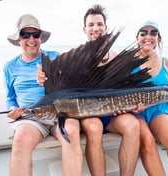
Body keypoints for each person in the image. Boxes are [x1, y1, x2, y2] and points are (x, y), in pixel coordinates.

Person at [37, 4, 141, 176]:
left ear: (105, 28)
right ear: (84, 29)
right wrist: (42, 76)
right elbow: (53, 80)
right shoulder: (74, 60)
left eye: (99, 24)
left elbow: (128, 89)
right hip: (86, 113)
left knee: (133, 125)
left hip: (111, 113)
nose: (96, 28)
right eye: (91, 25)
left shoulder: (116, 58)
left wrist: (133, 106)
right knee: (94, 126)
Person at [4, 14, 83, 176]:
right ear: (19, 39)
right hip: (32, 118)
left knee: (71, 132)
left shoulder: (54, 57)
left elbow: (72, 82)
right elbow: (10, 98)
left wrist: (51, 77)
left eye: (35, 34)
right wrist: (12, 110)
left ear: (41, 38)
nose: (31, 39)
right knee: (20, 139)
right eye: (25, 35)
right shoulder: (9, 67)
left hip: (61, 113)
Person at [133, 21, 168, 176]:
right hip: (135, 112)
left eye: (153, 33)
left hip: (158, 110)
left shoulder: (165, 62)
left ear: (158, 38)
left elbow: (164, 84)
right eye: (143, 33)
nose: (148, 37)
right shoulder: (128, 62)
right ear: (137, 37)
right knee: (148, 142)